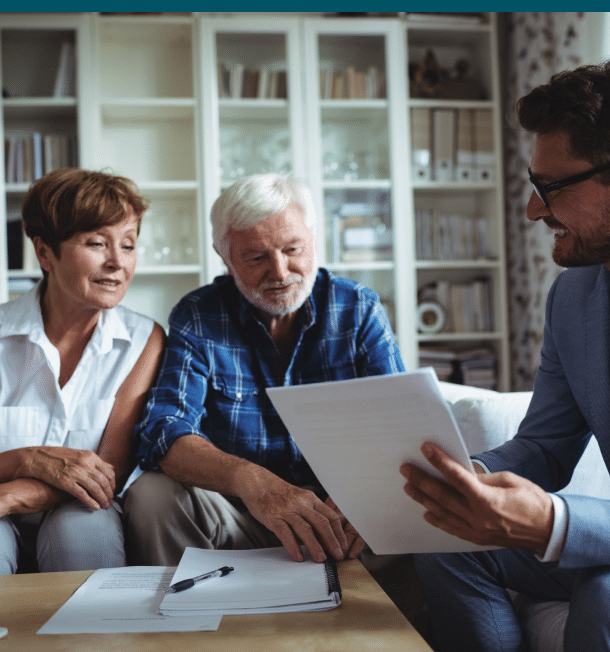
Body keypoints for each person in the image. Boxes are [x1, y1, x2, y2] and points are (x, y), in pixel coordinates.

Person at [402, 61, 610, 652]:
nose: (532, 210)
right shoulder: (573, 297)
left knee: (605, 592)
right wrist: (458, 479)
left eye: (553, 188)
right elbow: (545, 447)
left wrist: (554, 522)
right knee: (450, 543)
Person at [124, 173, 404, 566]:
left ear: (314, 240)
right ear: (225, 259)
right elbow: (166, 432)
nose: (279, 271)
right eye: (256, 257)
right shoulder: (199, 314)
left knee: (411, 506)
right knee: (152, 495)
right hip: (239, 516)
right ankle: (188, 622)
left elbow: (399, 424)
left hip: (343, 514)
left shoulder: (358, 308)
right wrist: (252, 482)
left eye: (293, 249)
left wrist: (364, 490)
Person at [0, 168, 166, 575]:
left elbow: (108, 470)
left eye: (128, 246)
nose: (116, 263)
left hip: (83, 508)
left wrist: (12, 496)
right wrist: (27, 459)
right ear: (44, 253)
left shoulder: (145, 340)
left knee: (83, 529)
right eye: (96, 243)